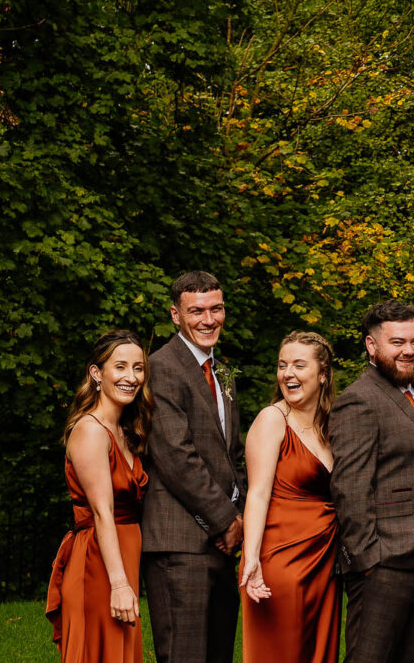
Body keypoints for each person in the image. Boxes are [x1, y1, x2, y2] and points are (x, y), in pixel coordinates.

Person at [330, 300, 414, 663]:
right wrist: (369, 560)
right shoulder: (359, 401)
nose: (409, 350)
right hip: (385, 566)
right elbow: (350, 488)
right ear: (371, 346)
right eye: (397, 342)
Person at [141, 271, 246, 663]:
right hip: (180, 542)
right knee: (183, 655)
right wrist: (227, 522)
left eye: (216, 309)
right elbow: (176, 456)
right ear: (176, 315)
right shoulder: (161, 368)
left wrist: (242, 517)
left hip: (221, 544)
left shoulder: (222, 371)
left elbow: (233, 454)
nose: (208, 319)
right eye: (196, 311)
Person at [46, 331, 152, 663]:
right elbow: (103, 512)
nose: (131, 377)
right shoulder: (91, 430)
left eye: (138, 368)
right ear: (96, 373)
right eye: (120, 367)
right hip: (97, 564)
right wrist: (119, 584)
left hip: (122, 556)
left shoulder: (125, 430)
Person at [239, 331, 340, 663]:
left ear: (323, 374)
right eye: (283, 365)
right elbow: (257, 495)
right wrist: (251, 559)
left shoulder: (333, 425)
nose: (288, 374)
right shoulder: (273, 419)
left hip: (324, 561)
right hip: (280, 560)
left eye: (299, 365)